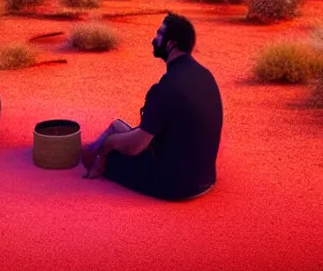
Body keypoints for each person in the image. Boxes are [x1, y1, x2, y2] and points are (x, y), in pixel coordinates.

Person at [81, 12, 223, 201]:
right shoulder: (204, 75)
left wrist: (107, 146)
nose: (153, 40)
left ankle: (93, 157)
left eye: (159, 34)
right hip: (206, 178)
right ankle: (101, 144)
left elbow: (136, 147)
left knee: (107, 157)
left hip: (175, 186)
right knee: (117, 127)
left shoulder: (167, 87)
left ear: (171, 43)